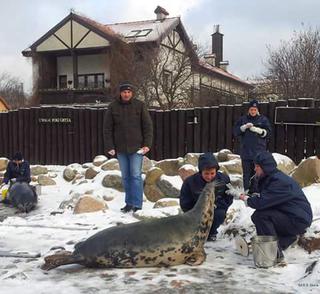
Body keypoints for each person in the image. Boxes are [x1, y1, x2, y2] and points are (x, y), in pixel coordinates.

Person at [237, 151, 313, 261]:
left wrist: (246, 199)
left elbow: (261, 202)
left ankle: (273, 255)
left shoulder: (279, 181)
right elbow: (267, 198)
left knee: (261, 216)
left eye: (257, 166)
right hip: (293, 216)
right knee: (258, 216)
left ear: (265, 167)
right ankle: (286, 239)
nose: (255, 169)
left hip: (298, 220)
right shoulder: (272, 177)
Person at [103, 82, 153, 213]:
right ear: (120, 93)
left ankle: (137, 204)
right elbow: (107, 128)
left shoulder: (140, 106)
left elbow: (148, 126)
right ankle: (129, 203)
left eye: (129, 92)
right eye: (124, 92)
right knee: (125, 177)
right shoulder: (113, 107)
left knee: (135, 175)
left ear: (132, 93)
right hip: (120, 149)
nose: (126, 94)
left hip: (137, 148)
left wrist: (147, 144)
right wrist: (110, 145)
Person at [179, 152, 233, 241]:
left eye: (212, 173)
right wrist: (197, 210)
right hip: (196, 211)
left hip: (216, 209)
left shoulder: (224, 179)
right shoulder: (190, 182)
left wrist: (219, 205)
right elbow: (185, 203)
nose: (209, 176)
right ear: (201, 172)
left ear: (216, 171)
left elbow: (229, 197)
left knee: (219, 214)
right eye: (206, 173)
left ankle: (211, 233)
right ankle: (197, 232)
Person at [233, 99, 271, 192]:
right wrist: (244, 127)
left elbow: (269, 133)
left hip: (258, 153)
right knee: (246, 174)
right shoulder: (243, 119)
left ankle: (257, 192)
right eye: (251, 109)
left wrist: (259, 130)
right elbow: (236, 131)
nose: (253, 111)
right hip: (246, 152)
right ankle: (247, 192)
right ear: (248, 110)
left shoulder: (263, 119)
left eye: (254, 109)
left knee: (258, 173)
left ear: (257, 110)